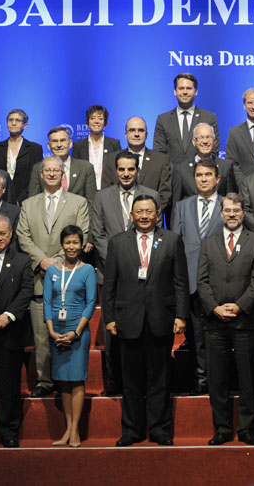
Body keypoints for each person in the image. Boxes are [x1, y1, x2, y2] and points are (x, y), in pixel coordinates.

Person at [101, 194, 189, 446]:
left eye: (149, 211)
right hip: (128, 319)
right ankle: (132, 430)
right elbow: (110, 285)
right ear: (131, 215)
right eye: (139, 211)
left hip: (161, 319)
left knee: (159, 380)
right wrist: (109, 318)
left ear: (157, 213)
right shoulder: (118, 243)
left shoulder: (172, 240)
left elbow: (181, 282)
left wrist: (181, 315)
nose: (144, 216)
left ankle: (159, 430)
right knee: (130, 381)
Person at [197, 193, 254, 446]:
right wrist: (215, 308)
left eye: (236, 210)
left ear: (243, 213)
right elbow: (201, 281)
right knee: (217, 379)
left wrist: (239, 306)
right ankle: (223, 429)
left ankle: (247, 429)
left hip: (244, 321)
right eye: (228, 210)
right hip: (215, 322)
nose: (232, 214)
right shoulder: (209, 242)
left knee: (247, 378)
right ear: (221, 213)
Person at [17, 156, 90, 398]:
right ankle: (45, 380)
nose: (51, 174)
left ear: (63, 174)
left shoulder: (78, 203)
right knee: (41, 333)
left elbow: (82, 234)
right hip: (38, 277)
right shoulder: (27, 204)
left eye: (55, 171)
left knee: (68, 330)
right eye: (46, 171)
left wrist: (57, 262)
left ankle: (66, 379)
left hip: (71, 282)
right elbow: (23, 237)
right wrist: (43, 260)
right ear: (40, 174)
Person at [90, 151, 160, 396]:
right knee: (113, 331)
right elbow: (97, 234)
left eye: (131, 169)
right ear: (115, 171)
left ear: (137, 170)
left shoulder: (152, 195)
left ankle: (143, 382)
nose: (126, 173)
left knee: (144, 329)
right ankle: (115, 381)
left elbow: (157, 234)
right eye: (122, 169)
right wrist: (119, 262)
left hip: (144, 278)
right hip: (110, 273)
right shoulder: (101, 197)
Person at [171, 158, 225, 396]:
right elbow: (174, 245)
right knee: (195, 339)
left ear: (217, 178)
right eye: (199, 175)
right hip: (191, 284)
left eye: (208, 174)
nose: (203, 179)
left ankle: (218, 381)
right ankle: (200, 381)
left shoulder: (228, 205)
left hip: (219, 285)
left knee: (218, 340)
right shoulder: (182, 206)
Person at [0, 215, 33, 448]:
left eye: (3, 233)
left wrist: (8, 315)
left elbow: (27, 289)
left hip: (11, 334)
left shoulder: (22, 260)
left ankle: (8, 430)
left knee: (9, 386)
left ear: (10, 235)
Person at [43, 225, 96, 447]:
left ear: (81, 245)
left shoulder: (88, 270)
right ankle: (67, 428)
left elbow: (91, 303)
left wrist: (76, 332)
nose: (71, 246)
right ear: (62, 245)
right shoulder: (52, 271)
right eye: (68, 242)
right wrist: (52, 331)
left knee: (76, 380)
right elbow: (47, 302)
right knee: (63, 382)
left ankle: (75, 431)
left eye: (75, 242)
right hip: (57, 332)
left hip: (78, 331)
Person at [101, 117, 173, 212]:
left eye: (141, 130)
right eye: (132, 130)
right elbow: (106, 193)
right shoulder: (111, 159)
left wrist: (148, 214)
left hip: (150, 221)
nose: (136, 134)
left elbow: (164, 195)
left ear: (146, 134)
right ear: (126, 134)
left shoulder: (161, 160)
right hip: (118, 221)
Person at [153, 72, 219, 165]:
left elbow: (213, 150)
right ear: (175, 91)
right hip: (171, 177)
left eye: (189, 88)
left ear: (196, 91)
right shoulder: (163, 119)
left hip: (200, 175)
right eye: (181, 88)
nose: (185, 92)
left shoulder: (209, 118)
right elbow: (159, 153)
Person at [170, 123, 235, 207]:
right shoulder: (181, 168)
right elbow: (176, 204)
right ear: (194, 141)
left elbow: (232, 202)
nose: (205, 141)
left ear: (214, 141)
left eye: (208, 137)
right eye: (201, 137)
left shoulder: (226, 166)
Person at [28, 126, 97, 206]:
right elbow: (33, 201)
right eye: (55, 141)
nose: (59, 145)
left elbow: (91, 202)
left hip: (78, 217)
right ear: (49, 146)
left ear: (70, 144)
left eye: (63, 140)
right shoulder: (38, 168)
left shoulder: (86, 167)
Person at [0, 109, 43, 204]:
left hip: (25, 200)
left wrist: (21, 199)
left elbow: (35, 178)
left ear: (25, 125)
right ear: (7, 124)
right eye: (10, 120)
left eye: (17, 120)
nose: (13, 123)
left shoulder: (35, 149)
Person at [71, 104, 122, 189]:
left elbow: (118, 169)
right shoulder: (78, 146)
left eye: (100, 118)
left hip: (108, 190)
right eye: (92, 118)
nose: (96, 121)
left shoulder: (114, 144)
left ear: (105, 124)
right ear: (87, 123)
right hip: (85, 190)